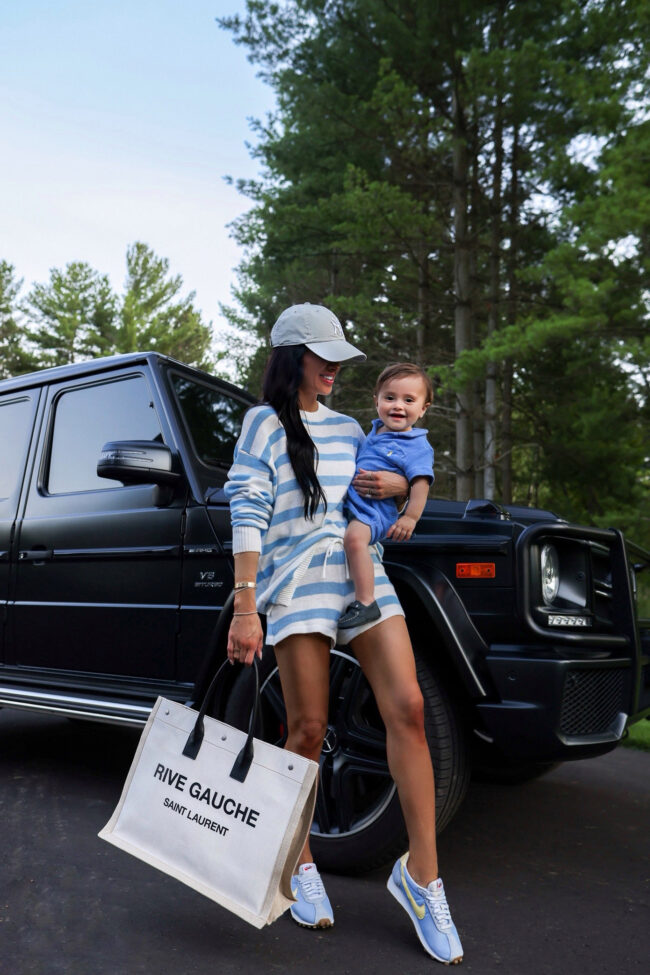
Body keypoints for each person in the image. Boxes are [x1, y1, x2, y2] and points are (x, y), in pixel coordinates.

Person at [224, 303, 463, 965]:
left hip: (360, 572)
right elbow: (247, 512)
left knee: (409, 708)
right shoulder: (263, 424)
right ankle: (297, 858)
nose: (333, 367)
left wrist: (396, 487)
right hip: (296, 578)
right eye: (321, 355)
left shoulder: (353, 427)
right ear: (291, 357)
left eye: (338, 357)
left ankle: (422, 877)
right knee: (307, 727)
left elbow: (384, 486)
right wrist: (247, 607)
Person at [338, 363, 434, 629]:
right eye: (389, 397)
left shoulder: (416, 445)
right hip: (358, 505)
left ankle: (366, 602)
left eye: (409, 400)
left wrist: (410, 518)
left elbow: (421, 484)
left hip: (375, 511)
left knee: (355, 540)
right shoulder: (375, 431)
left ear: (423, 408)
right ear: (376, 401)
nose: (398, 406)